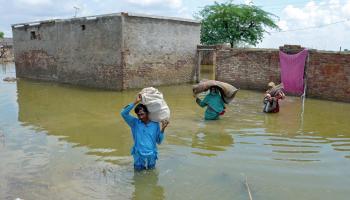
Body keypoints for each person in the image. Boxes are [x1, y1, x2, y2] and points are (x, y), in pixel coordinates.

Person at [121, 94, 169, 171]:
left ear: (147, 113)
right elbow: (123, 113)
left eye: (142, 114)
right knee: (138, 175)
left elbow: (159, 141)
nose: (140, 117)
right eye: (138, 115)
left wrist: (163, 129)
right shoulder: (135, 123)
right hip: (138, 154)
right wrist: (135, 102)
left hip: (152, 155)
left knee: (151, 174)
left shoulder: (155, 124)